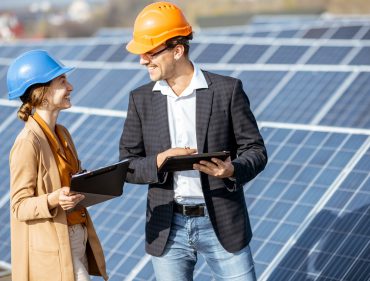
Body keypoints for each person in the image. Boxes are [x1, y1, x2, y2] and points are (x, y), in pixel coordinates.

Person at [120, 2, 267, 280]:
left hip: (222, 223)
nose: (142, 60)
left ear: (177, 50)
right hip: (167, 227)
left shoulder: (226, 91)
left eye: (150, 52)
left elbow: (256, 150)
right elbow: (127, 165)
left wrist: (232, 170)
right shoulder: (140, 99)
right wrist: (162, 160)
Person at [8, 50, 108, 281]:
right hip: (53, 245)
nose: (71, 87)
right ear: (41, 94)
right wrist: (54, 199)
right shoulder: (27, 143)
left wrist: (88, 181)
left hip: (77, 235)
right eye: (62, 81)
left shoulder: (62, 133)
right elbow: (19, 207)